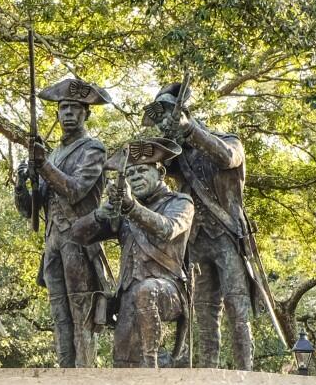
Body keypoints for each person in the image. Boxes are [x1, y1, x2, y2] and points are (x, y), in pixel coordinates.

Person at [143, 84, 268, 369]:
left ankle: (245, 372)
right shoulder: (177, 158)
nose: (164, 124)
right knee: (204, 312)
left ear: (184, 113)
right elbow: (156, 165)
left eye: (168, 116)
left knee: (237, 308)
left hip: (227, 236)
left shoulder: (229, 140)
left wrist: (190, 129)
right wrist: (170, 136)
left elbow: (226, 157)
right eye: (160, 120)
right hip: (196, 241)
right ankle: (207, 371)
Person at [68, 138, 194, 368]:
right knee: (123, 362)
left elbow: (168, 229)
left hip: (169, 291)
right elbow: (77, 235)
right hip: (129, 296)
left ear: (160, 173)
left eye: (142, 171)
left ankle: (152, 367)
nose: (135, 177)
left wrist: (131, 207)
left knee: (147, 290)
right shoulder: (124, 210)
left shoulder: (180, 202)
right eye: (130, 173)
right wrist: (100, 214)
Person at [14, 76, 113, 367]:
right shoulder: (53, 154)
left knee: (82, 312)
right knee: (59, 315)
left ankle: (84, 376)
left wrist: (43, 165)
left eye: (75, 108)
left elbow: (75, 190)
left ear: (86, 113)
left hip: (80, 241)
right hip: (53, 243)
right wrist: (22, 184)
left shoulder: (93, 149)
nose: (68, 113)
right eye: (63, 108)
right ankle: (65, 373)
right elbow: (33, 208)